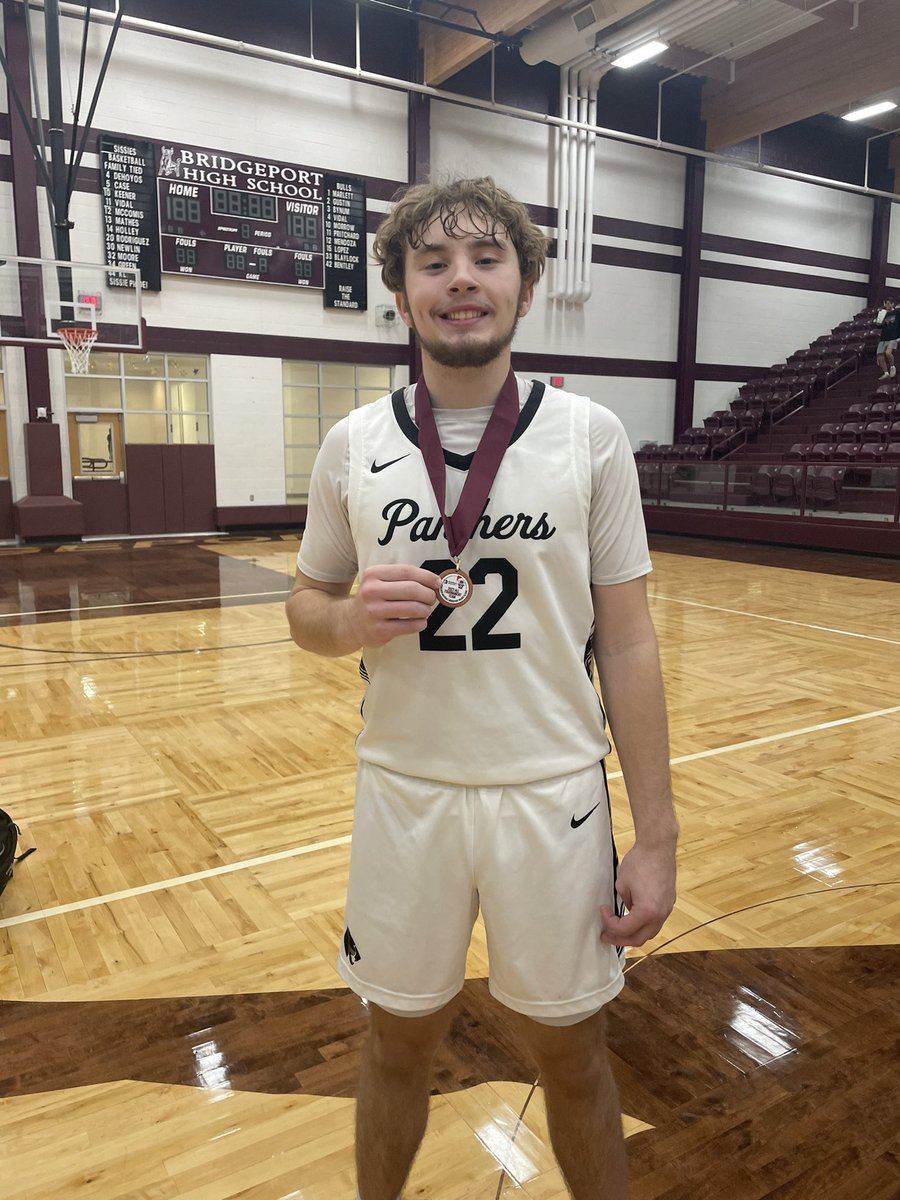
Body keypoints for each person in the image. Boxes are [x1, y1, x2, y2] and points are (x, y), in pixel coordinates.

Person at [286, 176, 678, 1200]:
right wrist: (344, 621)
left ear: (524, 282)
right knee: (395, 1046)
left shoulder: (588, 436)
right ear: (403, 290)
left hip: (552, 795)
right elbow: (305, 609)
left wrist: (659, 833)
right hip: (403, 794)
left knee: (573, 1059)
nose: (461, 280)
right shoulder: (353, 446)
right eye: (434, 262)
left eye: (486, 258)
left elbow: (629, 645)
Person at [875, 297, 899, 380]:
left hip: (893, 337)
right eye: (886, 303)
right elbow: (879, 326)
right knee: (880, 355)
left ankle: (892, 367)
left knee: (888, 353)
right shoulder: (883, 313)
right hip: (883, 337)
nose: (887, 305)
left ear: (892, 304)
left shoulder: (897, 313)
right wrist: (877, 322)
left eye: (889, 303)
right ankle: (885, 373)